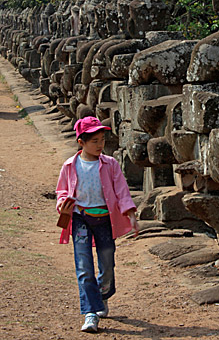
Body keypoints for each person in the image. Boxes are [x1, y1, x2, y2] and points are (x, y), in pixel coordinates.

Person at [56, 116, 139, 333]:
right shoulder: (70, 166)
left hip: (104, 220)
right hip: (80, 218)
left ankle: (102, 295)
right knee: (84, 267)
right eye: (95, 141)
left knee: (107, 264)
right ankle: (91, 313)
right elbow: (62, 191)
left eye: (102, 140)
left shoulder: (110, 164)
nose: (100, 145)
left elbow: (121, 189)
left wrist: (130, 211)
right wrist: (62, 203)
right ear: (81, 142)